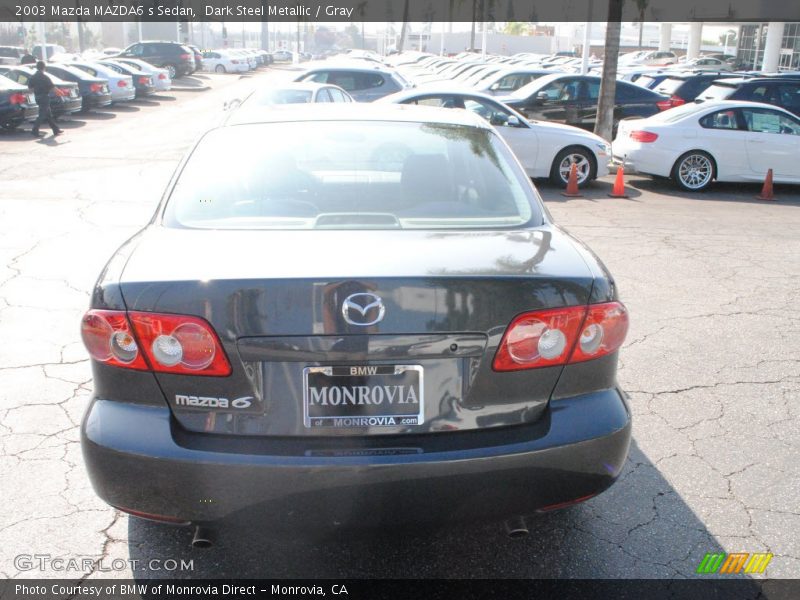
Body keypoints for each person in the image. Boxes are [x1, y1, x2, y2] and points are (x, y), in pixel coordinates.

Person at [27, 61, 62, 137]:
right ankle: (34, 130)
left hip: (37, 97)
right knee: (42, 114)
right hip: (44, 97)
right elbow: (52, 87)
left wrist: (37, 90)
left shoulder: (33, 77)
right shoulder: (45, 77)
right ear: (44, 68)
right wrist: (60, 92)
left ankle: (55, 129)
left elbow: (30, 88)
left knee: (48, 114)